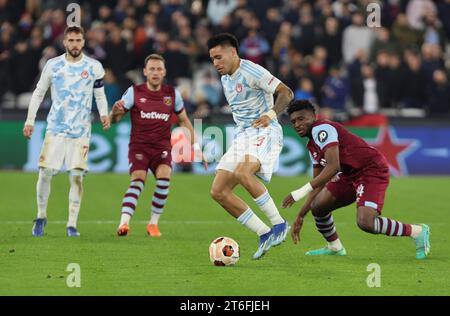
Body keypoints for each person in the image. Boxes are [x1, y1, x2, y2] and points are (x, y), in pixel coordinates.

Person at [282, 100, 430, 260]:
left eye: (301, 119)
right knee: (318, 206)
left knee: (366, 222)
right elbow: (318, 182)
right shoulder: (312, 145)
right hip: (349, 174)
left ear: (313, 116)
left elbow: (333, 166)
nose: (297, 124)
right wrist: (301, 215)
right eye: (293, 121)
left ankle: (417, 232)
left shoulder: (322, 128)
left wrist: (299, 192)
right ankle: (335, 247)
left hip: (371, 170)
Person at [207, 33, 294, 259]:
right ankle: (264, 232)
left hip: (266, 130)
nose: (215, 63)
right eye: (212, 59)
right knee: (218, 191)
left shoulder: (253, 71)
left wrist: (271, 114)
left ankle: (279, 224)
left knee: (243, 173)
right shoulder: (226, 77)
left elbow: (287, 92)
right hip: (243, 135)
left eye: (218, 57)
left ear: (233, 52)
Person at [23, 26, 111, 237]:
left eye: (78, 40)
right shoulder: (53, 66)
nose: (74, 44)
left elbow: (99, 94)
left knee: (77, 177)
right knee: (45, 173)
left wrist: (104, 114)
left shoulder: (94, 67)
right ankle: (41, 216)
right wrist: (30, 120)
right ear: (64, 42)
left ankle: (72, 224)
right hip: (55, 129)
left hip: (81, 132)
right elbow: (39, 93)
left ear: (83, 42)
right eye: (71, 40)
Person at [110, 54, 207, 237]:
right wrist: (115, 112)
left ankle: (153, 224)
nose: (155, 72)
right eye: (152, 69)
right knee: (138, 179)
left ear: (164, 72)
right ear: (145, 72)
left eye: (159, 69)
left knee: (164, 178)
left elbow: (184, 121)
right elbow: (115, 119)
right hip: (139, 147)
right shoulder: (134, 92)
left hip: (162, 148)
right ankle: (124, 223)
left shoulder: (172, 94)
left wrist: (196, 149)